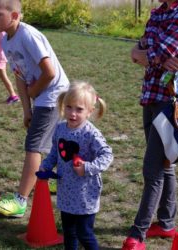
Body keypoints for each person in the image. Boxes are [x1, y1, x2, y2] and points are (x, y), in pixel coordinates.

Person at [122, 1, 178, 250]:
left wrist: (148, 54)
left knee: (153, 169)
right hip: (151, 95)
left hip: (171, 100)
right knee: (165, 164)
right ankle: (166, 223)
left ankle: (138, 235)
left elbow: (160, 51)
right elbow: (143, 49)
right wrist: (144, 54)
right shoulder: (159, 11)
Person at [0, 0, 70, 217]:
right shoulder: (6, 41)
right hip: (41, 96)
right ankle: (57, 179)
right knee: (52, 141)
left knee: (33, 145)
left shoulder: (28, 35)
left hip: (54, 94)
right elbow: (20, 77)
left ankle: (20, 201)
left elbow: (49, 72)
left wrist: (34, 94)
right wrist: (26, 109)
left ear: (14, 16)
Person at [38, 82, 113, 250]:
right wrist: (46, 166)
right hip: (66, 191)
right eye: (69, 107)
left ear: (89, 111)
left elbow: (107, 155)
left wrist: (87, 168)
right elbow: (55, 153)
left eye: (79, 109)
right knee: (68, 232)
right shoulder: (60, 128)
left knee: (84, 234)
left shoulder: (90, 133)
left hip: (85, 193)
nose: (72, 113)